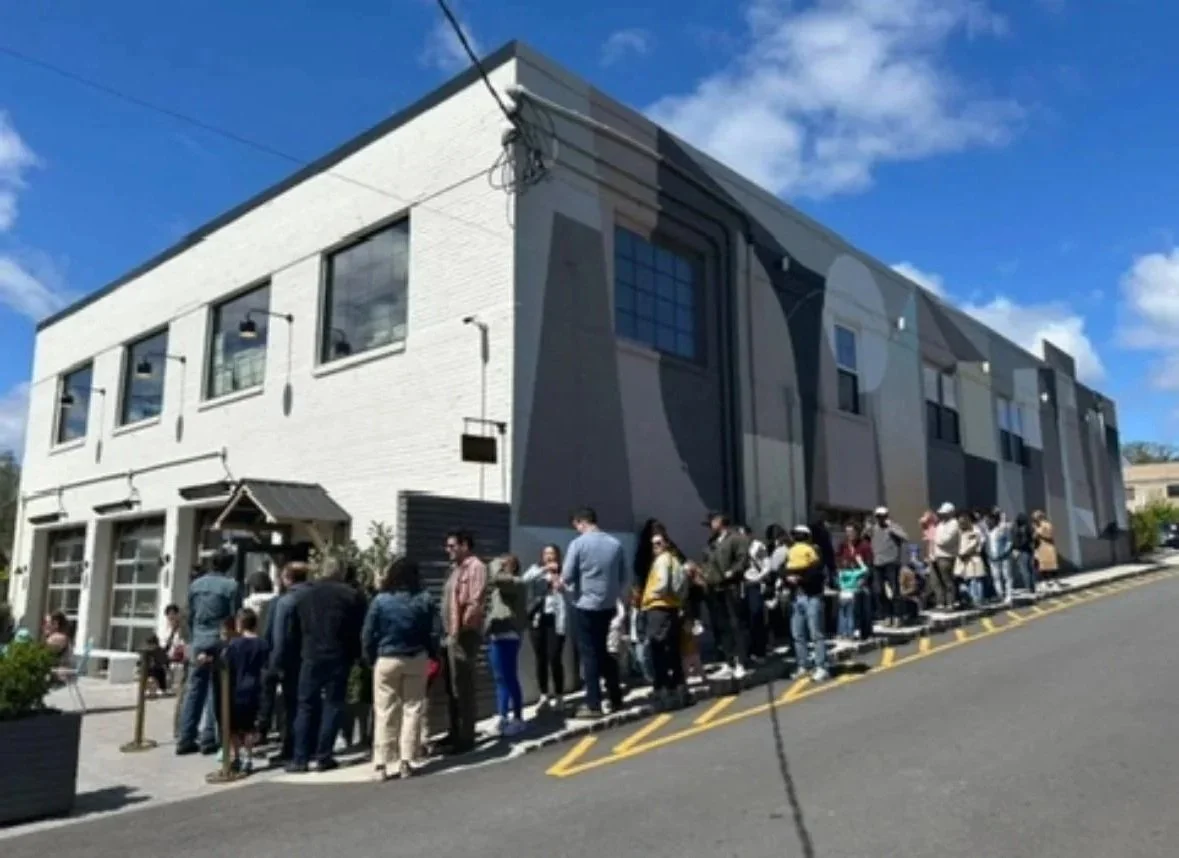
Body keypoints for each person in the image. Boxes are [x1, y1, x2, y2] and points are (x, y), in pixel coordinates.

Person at [287, 558, 367, 774]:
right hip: (339, 655)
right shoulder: (351, 596)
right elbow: (358, 629)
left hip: (310, 654)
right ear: (341, 572)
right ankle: (324, 756)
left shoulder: (305, 595)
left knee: (305, 705)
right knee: (333, 704)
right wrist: (357, 655)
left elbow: (295, 628)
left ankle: (300, 758)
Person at [363, 555, 435, 781]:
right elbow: (433, 632)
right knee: (412, 708)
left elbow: (368, 633)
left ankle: (381, 763)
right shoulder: (424, 599)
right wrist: (433, 654)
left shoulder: (380, 600)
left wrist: (370, 657)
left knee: (385, 710)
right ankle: (407, 760)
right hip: (416, 657)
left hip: (387, 657)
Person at [562, 507, 629, 718]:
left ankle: (594, 704)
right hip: (608, 605)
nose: (577, 530)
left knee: (589, 654)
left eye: (576, 526)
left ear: (581, 522)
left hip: (585, 605)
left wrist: (560, 583)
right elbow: (623, 576)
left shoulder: (578, 544)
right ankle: (615, 697)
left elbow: (567, 575)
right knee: (606, 651)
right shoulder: (615, 544)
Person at [177, 552, 240, 756]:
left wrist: (193, 638)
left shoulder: (196, 585)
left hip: (199, 639)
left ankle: (186, 737)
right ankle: (209, 737)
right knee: (216, 688)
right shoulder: (231, 586)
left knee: (194, 689)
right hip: (219, 640)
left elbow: (189, 615)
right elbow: (235, 617)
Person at [440, 529, 488, 753]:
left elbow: (475, 600)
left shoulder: (475, 567)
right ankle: (454, 731)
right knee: (452, 686)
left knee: (463, 685)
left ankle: (466, 736)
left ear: (465, 545)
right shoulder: (455, 569)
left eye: (452, 546)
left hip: (464, 634)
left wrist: (462, 628)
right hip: (451, 633)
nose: (448, 550)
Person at [217, 608, 270, 773]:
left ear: (240, 624)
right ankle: (248, 757)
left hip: (236, 689)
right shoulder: (263, 644)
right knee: (249, 727)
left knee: (234, 726)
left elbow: (225, 664)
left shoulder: (234, 645)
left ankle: (237, 757)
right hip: (255, 689)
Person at [267, 562, 310, 765]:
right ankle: (308, 746)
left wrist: (275, 665)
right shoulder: (314, 597)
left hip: (292, 660)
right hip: (312, 657)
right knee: (308, 704)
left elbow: (280, 637)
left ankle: (291, 747)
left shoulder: (285, 602)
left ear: (287, 578)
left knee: (291, 707)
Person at [641, 529, 689, 709]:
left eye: (659, 543)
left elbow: (662, 583)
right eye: (653, 544)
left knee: (658, 649)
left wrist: (653, 593)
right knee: (672, 650)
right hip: (671, 608)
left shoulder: (662, 560)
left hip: (658, 608)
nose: (655, 547)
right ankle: (679, 687)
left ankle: (662, 687)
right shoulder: (674, 560)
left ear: (667, 543)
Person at [701, 513, 751, 680]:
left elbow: (742, 559)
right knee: (722, 626)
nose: (709, 528)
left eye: (711, 523)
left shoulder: (736, 538)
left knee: (736, 624)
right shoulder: (712, 542)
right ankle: (729, 661)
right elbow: (707, 561)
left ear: (720, 522)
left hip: (732, 586)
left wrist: (733, 572)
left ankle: (741, 662)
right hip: (715, 587)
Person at [483, 554, 527, 736]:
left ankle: (518, 718)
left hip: (509, 635)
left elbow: (497, 578)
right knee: (500, 678)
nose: (502, 566)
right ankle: (502, 716)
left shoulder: (517, 583)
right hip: (496, 635)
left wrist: (495, 563)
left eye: (506, 564)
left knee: (509, 677)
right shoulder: (499, 588)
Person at [521, 545, 568, 712]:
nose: (549, 556)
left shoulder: (564, 571)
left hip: (556, 619)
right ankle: (544, 695)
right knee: (540, 658)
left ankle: (559, 696)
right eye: (546, 553)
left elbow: (572, 590)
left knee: (554, 657)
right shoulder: (536, 569)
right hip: (538, 619)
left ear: (557, 556)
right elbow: (524, 580)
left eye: (552, 554)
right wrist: (544, 570)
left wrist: (561, 584)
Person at [785, 525, 829, 682]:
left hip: (812, 597)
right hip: (797, 598)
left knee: (816, 634)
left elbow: (817, 573)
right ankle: (803, 665)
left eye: (799, 535)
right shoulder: (791, 552)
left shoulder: (814, 551)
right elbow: (782, 569)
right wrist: (787, 578)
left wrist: (800, 579)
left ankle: (821, 667)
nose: (796, 538)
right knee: (798, 634)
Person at [866, 507, 908, 627]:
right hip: (877, 563)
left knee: (894, 590)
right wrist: (867, 527)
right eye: (878, 516)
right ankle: (887, 615)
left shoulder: (894, 527)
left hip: (891, 562)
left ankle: (897, 616)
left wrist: (892, 529)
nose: (881, 519)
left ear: (887, 516)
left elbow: (905, 537)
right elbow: (865, 536)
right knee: (878, 591)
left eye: (883, 516)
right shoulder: (873, 529)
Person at [930, 503, 960, 611]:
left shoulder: (954, 524)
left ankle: (951, 602)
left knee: (948, 581)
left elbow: (945, 540)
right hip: (936, 556)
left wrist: (935, 539)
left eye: (945, 513)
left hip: (947, 556)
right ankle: (940, 602)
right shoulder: (941, 524)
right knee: (936, 581)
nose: (942, 515)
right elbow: (934, 538)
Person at [956, 514, 987, 606]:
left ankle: (978, 599)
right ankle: (972, 599)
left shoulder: (974, 531)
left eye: (962, 522)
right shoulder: (960, 533)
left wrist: (964, 553)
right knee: (969, 580)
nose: (961, 524)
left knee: (977, 579)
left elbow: (973, 545)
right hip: (964, 559)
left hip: (974, 557)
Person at [987, 509, 1015, 605]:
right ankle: (1000, 595)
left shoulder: (1002, 529)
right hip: (992, 558)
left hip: (1004, 557)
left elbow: (1009, 542)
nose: (988, 522)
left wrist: (1004, 553)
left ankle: (1009, 596)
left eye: (990, 519)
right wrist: (989, 554)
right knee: (996, 577)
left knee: (1007, 576)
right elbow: (987, 545)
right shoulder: (988, 532)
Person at [1032, 511, 1061, 592]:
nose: (1035, 520)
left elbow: (1047, 535)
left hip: (1047, 547)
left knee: (1050, 566)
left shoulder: (1046, 525)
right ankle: (1046, 582)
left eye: (1036, 518)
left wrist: (1037, 530)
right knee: (1043, 566)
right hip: (1042, 547)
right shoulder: (1040, 526)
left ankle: (1054, 582)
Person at [1012, 513, 1036, 594]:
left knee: (1024, 570)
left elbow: (1018, 542)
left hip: (1022, 551)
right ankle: (1032, 587)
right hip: (1029, 550)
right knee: (1030, 570)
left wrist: (1016, 548)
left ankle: (1028, 587)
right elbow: (1033, 539)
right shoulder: (1029, 528)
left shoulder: (1019, 529)